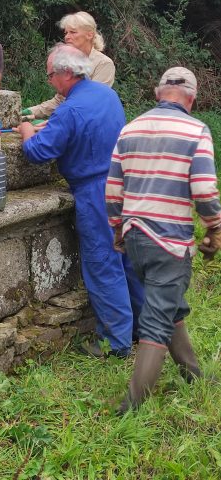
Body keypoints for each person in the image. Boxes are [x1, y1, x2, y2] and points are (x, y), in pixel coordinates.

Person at [106, 67, 221, 413]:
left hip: (135, 236)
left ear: (157, 94)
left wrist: (117, 229)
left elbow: (113, 188)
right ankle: (132, 407)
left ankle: (193, 374)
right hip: (170, 241)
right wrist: (214, 228)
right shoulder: (196, 130)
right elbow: (203, 189)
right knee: (156, 318)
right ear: (192, 98)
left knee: (168, 304)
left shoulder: (130, 128)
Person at [17, 44, 143, 358]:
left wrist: (26, 130)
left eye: (50, 76)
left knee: (103, 263)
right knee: (127, 259)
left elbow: (37, 152)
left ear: (66, 73)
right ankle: (143, 328)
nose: (49, 82)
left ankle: (116, 344)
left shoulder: (70, 110)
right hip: (124, 183)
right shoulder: (107, 96)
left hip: (94, 191)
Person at [27, 11, 114, 120]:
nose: (67, 37)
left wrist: (54, 123)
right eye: (66, 33)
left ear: (90, 34)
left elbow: (90, 103)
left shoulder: (104, 64)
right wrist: (28, 112)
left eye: (73, 32)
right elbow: (59, 101)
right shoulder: (68, 61)